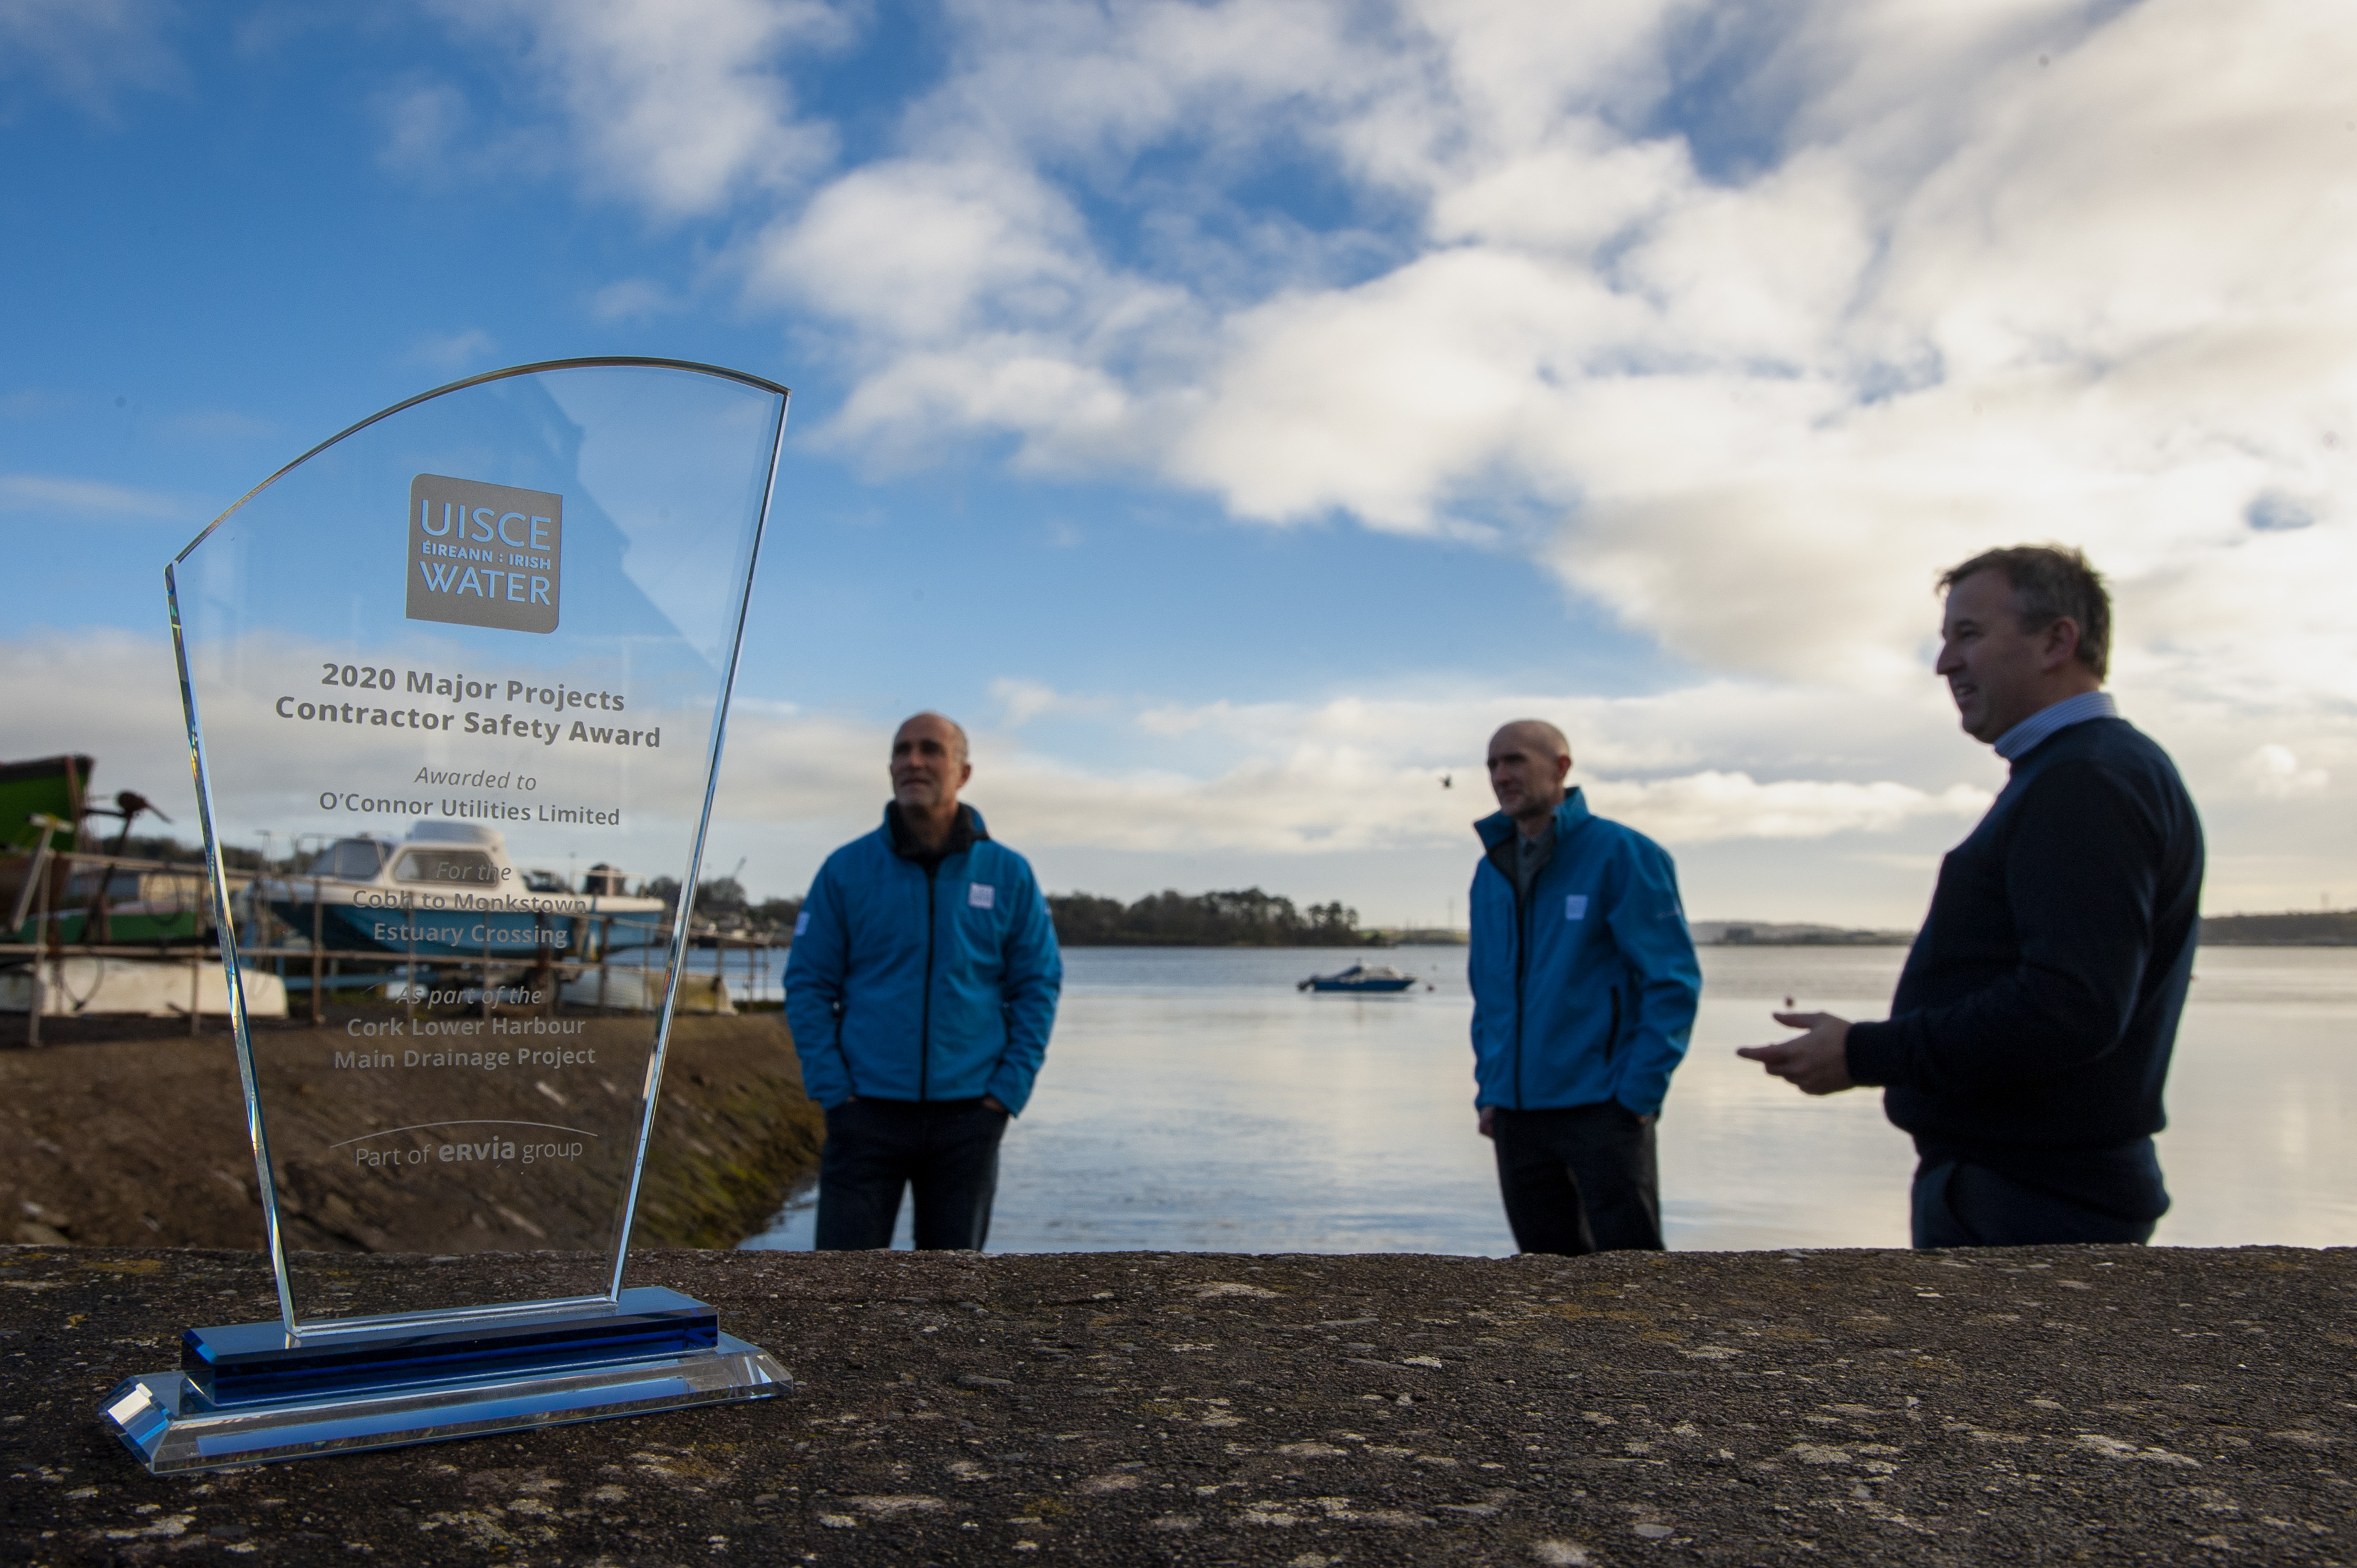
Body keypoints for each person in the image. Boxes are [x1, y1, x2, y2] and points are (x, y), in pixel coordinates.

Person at [1738, 546, 2203, 1248]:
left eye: (1969, 635)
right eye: (1945, 639)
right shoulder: (2079, 770)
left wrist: (1865, 1052)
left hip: (2033, 1201)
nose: (1944, 664)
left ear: (2057, 640)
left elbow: (2068, 1008)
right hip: (2027, 1188)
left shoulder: (2086, 781)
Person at [784, 713, 1062, 1250]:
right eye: (902, 750)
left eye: (931, 749)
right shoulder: (846, 870)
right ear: (890, 767)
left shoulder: (1008, 874)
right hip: (863, 1112)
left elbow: (1038, 985)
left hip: (970, 1116)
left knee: (951, 1298)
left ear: (963, 772)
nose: (914, 760)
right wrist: (832, 1089)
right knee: (840, 1294)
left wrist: (1007, 1091)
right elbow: (808, 983)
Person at [1468, 719, 1701, 1254]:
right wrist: (1491, 1088)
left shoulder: (1623, 854)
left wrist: (1638, 1093)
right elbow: (1491, 994)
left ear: (1561, 767)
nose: (1501, 776)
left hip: (1603, 1107)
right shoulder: (1490, 872)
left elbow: (1672, 983)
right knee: (1542, 1283)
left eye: (1515, 761)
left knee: (1632, 1279)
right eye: (1492, 765)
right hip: (1516, 1115)